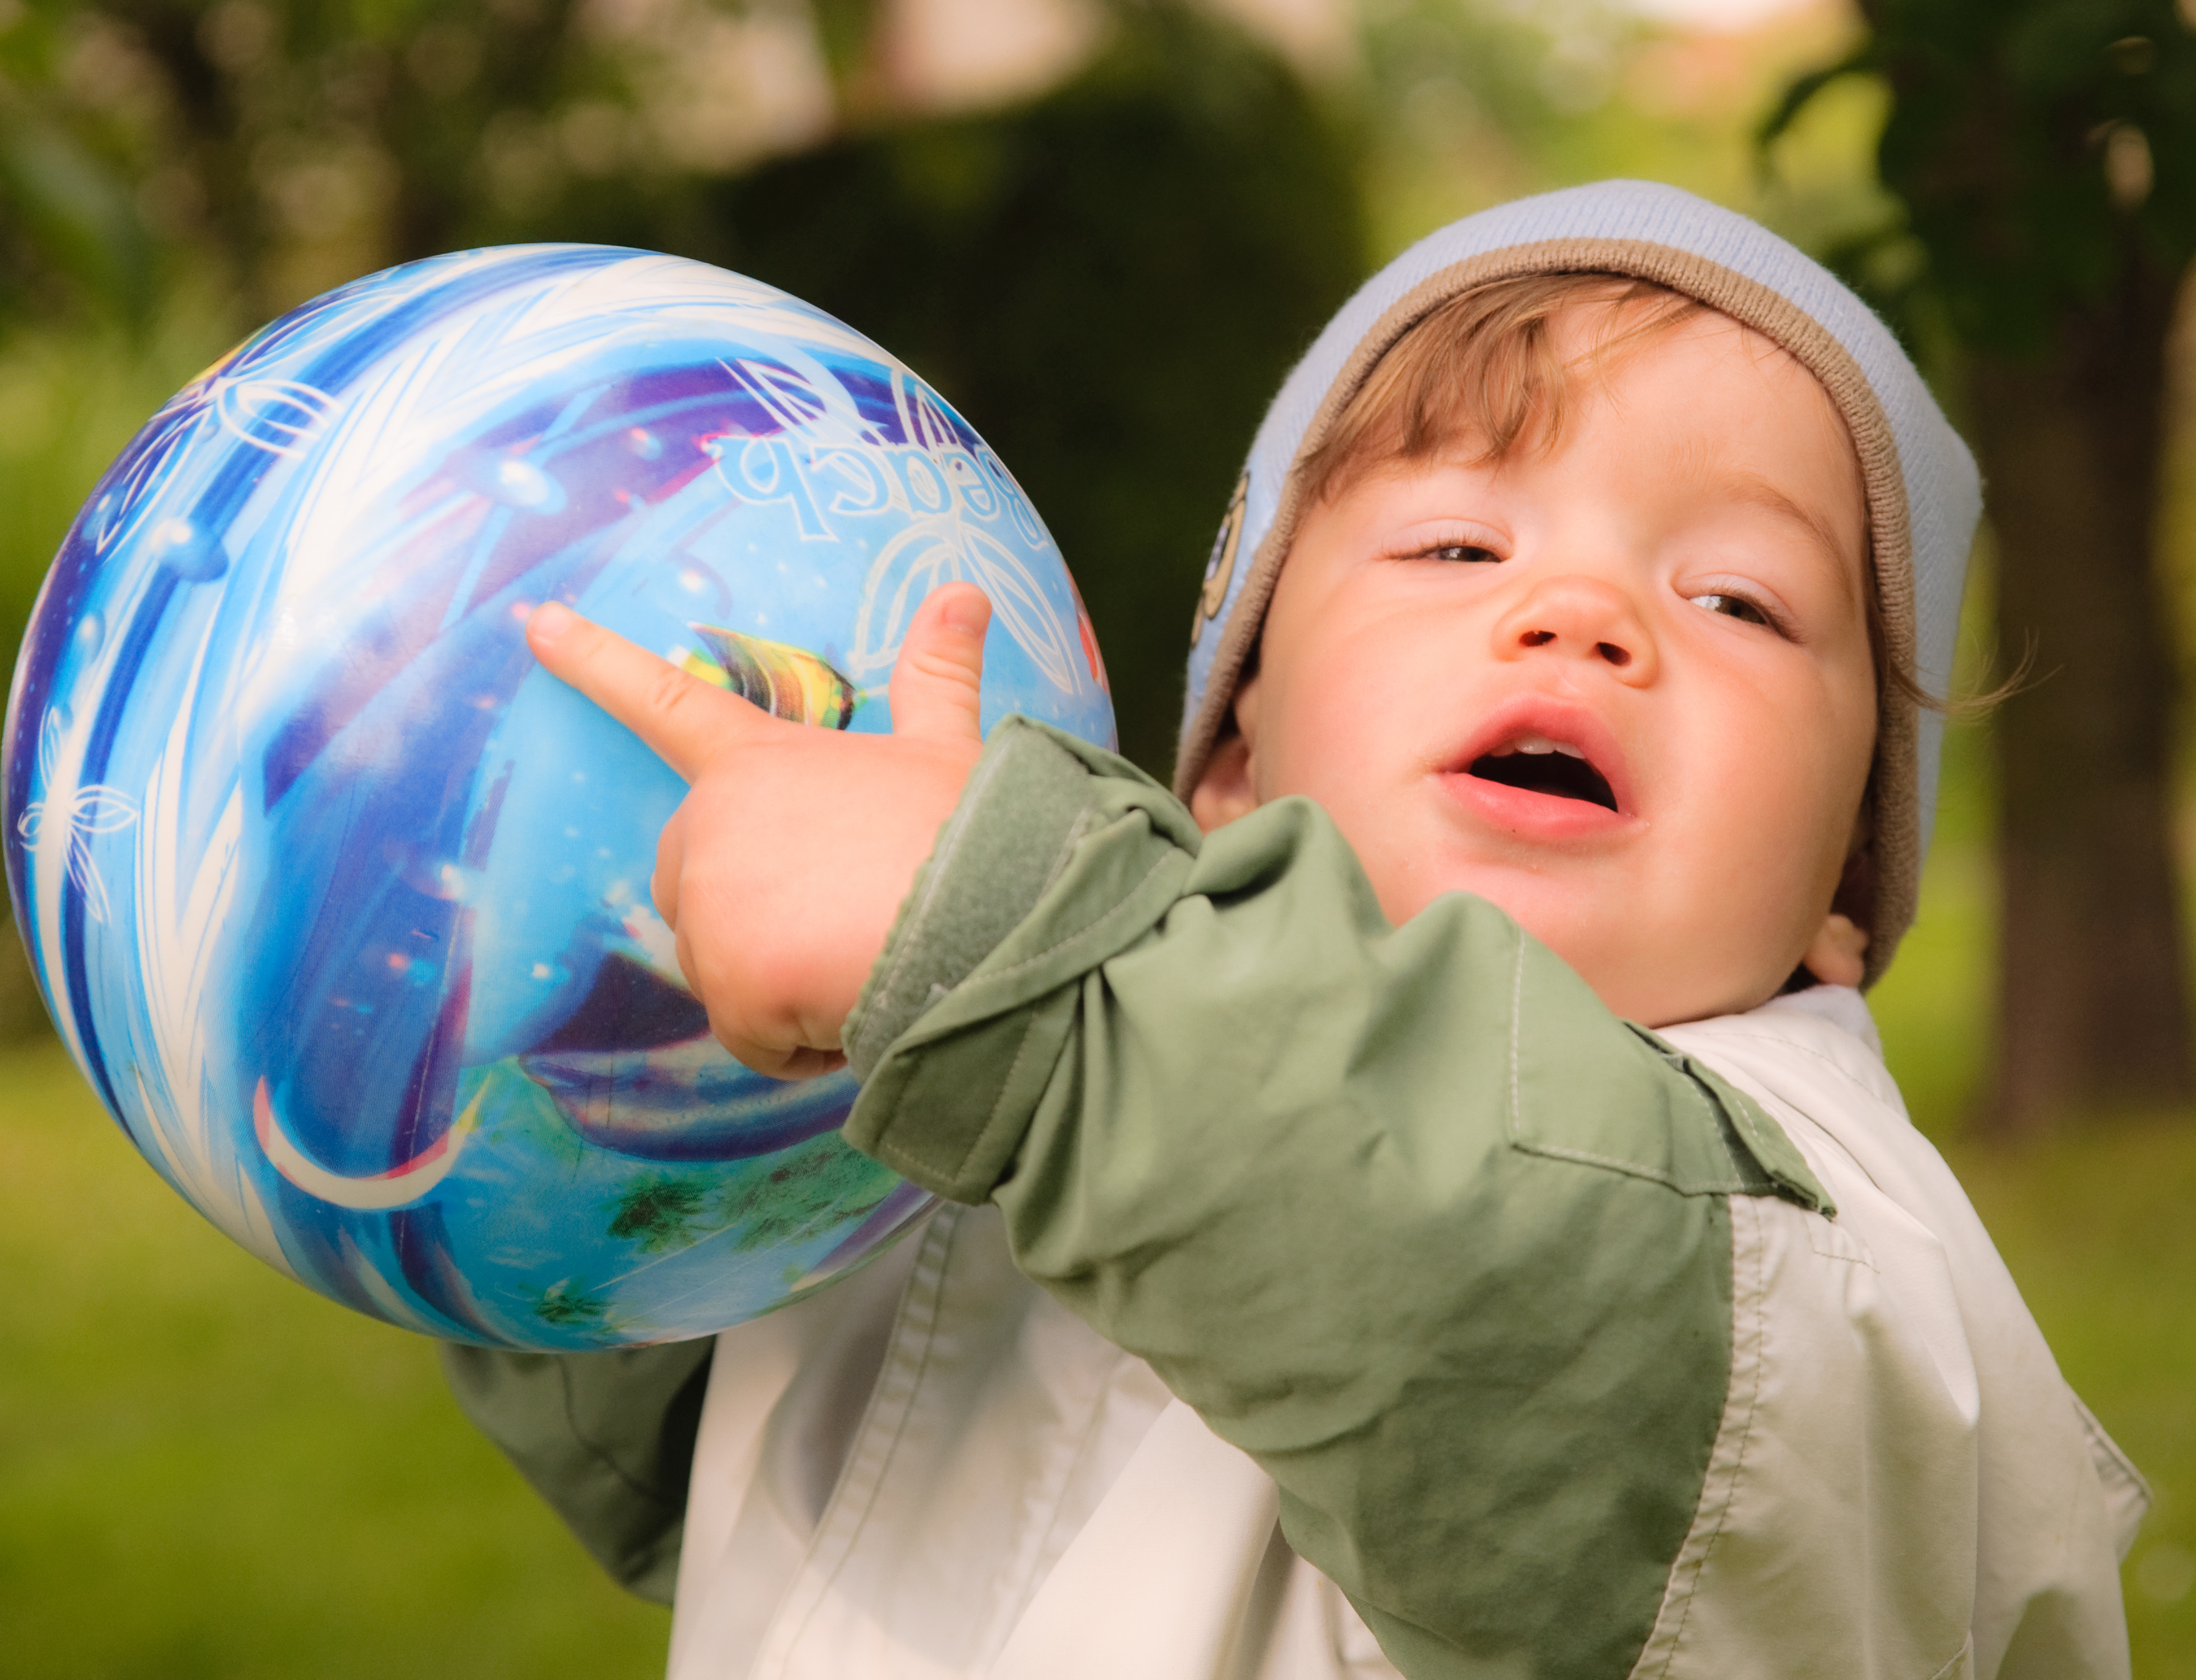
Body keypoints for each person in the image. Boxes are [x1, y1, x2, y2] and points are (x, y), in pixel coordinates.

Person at [443, 181, 2147, 1679]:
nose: (1587, 616)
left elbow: (1520, 1286)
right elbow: (657, 1364)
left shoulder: (1824, 1256)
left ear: (1843, 905)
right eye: (1459, 541)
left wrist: (989, 945)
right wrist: (513, 999)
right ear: (1235, 764)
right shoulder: (986, 1128)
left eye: (1742, 601)